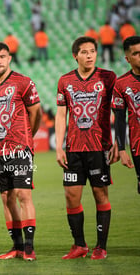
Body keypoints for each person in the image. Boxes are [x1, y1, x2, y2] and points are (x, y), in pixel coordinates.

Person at [55, 36, 117, 260]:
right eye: (84, 52)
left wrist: (118, 141)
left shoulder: (108, 78)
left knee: (100, 194)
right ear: (75, 55)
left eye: (93, 51)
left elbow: (118, 111)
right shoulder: (65, 81)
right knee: (71, 196)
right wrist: (59, 146)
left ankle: (101, 246)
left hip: (98, 146)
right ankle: (79, 245)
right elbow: (61, 115)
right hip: (73, 148)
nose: (89, 55)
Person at [0, 42, 42, 261]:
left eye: (2, 56)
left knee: (24, 194)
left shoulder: (23, 82)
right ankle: (16, 246)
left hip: (20, 148)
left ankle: (29, 247)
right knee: (6, 198)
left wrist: (26, 135)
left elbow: (36, 113)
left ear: (9, 58)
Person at [111, 36, 140, 194]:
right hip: (138, 144)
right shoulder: (121, 84)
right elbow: (120, 119)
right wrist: (121, 149)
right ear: (127, 58)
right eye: (136, 53)